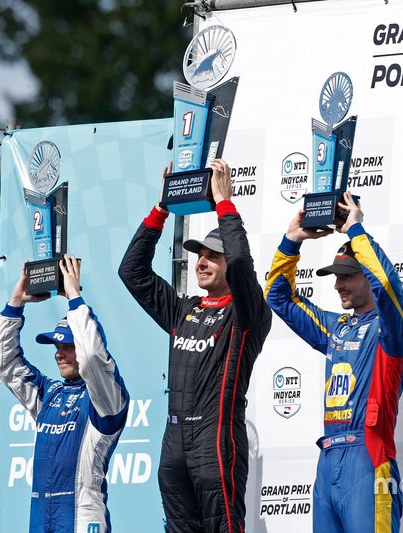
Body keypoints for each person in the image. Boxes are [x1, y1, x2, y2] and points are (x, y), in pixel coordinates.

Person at [118, 159, 272, 533]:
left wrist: (224, 203)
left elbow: (240, 262)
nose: (202, 261)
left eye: (212, 256)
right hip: (174, 443)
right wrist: (163, 205)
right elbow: (132, 272)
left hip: (214, 438)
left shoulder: (246, 313)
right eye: (199, 255)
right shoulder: (182, 309)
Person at [264, 192, 403, 533]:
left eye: (347, 275)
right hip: (327, 460)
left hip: (369, 460)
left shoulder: (392, 331)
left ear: (366, 276)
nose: (337, 285)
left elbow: (389, 284)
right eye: (335, 276)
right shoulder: (336, 327)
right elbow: (277, 296)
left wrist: (356, 231)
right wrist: (292, 241)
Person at [0, 255, 129, 533]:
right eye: (56, 345)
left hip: (81, 516)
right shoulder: (48, 394)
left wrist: (74, 296)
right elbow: (2, 361)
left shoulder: (105, 399)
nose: (58, 353)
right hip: (41, 518)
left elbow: (92, 356)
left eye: (66, 346)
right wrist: (16, 300)